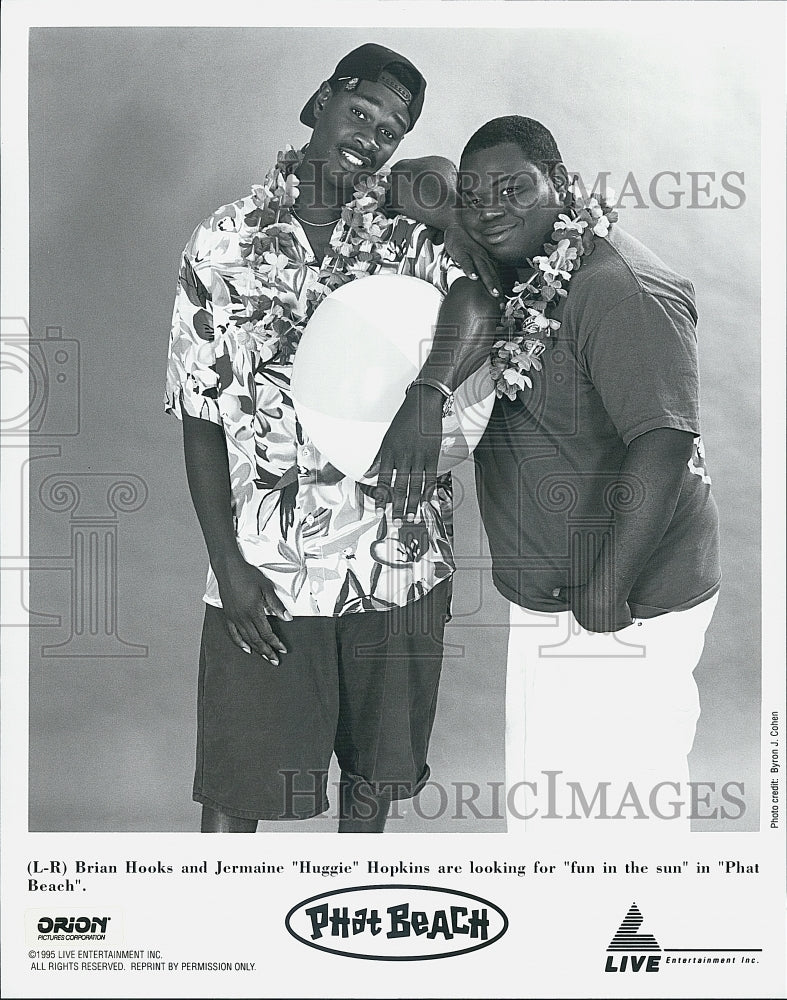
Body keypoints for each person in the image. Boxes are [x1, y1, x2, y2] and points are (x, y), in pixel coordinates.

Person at [164, 44, 488, 834]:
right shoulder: (221, 242)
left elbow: (477, 299)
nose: (372, 136)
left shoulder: (411, 228)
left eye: (391, 130)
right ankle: (206, 941)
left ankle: (340, 927)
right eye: (361, 112)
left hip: (396, 559)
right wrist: (227, 564)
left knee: (372, 782)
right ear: (319, 101)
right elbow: (200, 415)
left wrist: (427, 394)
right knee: (237, 788)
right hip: (267, 568)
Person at [376, 115, 722, 830]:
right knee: (548, 810)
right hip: (549, 588)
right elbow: (416, 179)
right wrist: (453, 197)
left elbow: (662, 443)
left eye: (513, 187)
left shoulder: (618, 285)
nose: (490, 206)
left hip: (627, 596)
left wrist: (608, 584)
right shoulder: (506, 257)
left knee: (626, 815)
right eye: (475, 195)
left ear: (561, 185)